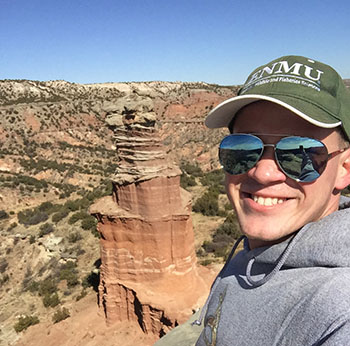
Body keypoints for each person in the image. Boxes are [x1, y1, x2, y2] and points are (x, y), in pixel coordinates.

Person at [155, 55, 350, 346]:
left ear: (344, 169)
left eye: (301, 154)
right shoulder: (251, 257)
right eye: (244, 148)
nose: (263, 172)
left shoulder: (338, 308)